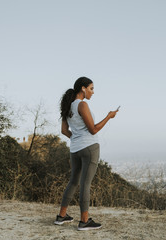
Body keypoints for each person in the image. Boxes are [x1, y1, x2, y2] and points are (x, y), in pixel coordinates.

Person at [54, 76, 119, 230]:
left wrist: (76, 138)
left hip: (75, 149)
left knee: (73, 182)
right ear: (83, 88)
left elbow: (64, 131)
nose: (93, 92)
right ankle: (84, 221)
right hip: (90, 148)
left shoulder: (67, 106)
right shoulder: (82, 105)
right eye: (91, 88)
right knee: (85, 184)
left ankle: (61, 216)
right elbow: (93, 129)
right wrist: (109, 116)